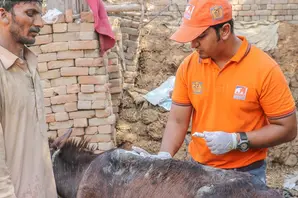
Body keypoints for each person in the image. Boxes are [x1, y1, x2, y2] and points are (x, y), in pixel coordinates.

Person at [134, 0, 297, 184]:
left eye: (200, 36)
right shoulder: (189, 67)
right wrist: (164, 155)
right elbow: (178, 120)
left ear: (225, 30)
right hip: (199, 171)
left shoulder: (264, 69)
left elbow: (288, 129)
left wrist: (236, 140)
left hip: (246, 176)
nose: (193, 44)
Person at [0, 1, 57, 197]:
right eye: (31, 13)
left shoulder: (29, 64)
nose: (40, 23)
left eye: (40, 15)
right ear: (3, 15)